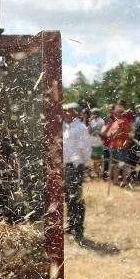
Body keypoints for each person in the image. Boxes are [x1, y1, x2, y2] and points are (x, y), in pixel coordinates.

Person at [62, 103, 91, 243]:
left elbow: (86, 149)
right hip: (64, 166)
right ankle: (70, 223)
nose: (63, 113)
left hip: (75, 166)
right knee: (68, 197)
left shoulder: (80, 128)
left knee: (77, 198)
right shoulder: (64, 126)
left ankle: (79, 228)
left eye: (65, 111)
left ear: (72, 113)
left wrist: (82, 163)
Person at [104, 100, 133, 187]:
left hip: (121, 145)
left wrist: (113, 134)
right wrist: (111, 134)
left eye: (118, 112)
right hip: (114, 145)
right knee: (114, 164)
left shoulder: (124, 121)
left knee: (123, 164)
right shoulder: (115, 122)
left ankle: (125, 181)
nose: (116, 114)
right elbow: (108, 134)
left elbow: (123, 131)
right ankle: (115, 180)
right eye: (116, 112)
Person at [86, 108, 106, 180]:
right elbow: (89, 131)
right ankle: (95, 172)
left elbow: (98, 131)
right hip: (92, 142)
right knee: (93, 157)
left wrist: (95, 131)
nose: (92, 115)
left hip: (98, 142)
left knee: (99, 157)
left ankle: (99, 172)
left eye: (93, 113)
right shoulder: (92, 121)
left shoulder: (101, 121)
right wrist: (89, 122)